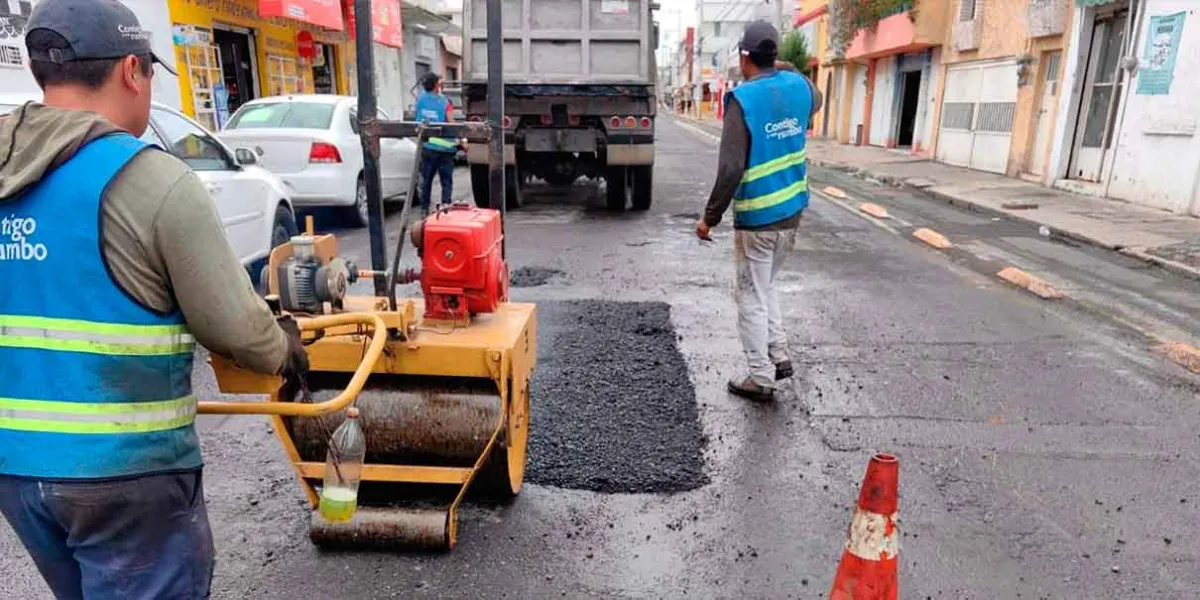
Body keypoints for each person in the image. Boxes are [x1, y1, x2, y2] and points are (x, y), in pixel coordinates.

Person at [0, 0, 309, 597]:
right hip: (124, 473)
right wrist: (284, 350)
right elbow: (235, 329)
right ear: (130, 72)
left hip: (17, 470)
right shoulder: (150, 179)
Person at [695, 21, 822, 402]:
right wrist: (790, 68)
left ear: (744, 56)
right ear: (775, 55)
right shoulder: (800, 87)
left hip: (758, 220)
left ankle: (761, 377)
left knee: (750, 295)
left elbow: (731, 168)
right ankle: (778, 354)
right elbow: (817, 98)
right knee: (766, 286)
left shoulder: (743, 100)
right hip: (792, 213)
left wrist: (709, 218)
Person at [415, 72, 458, 214]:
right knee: (446, 182)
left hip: (428, 147)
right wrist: (462, 141)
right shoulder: (445, 102)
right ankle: (445, 208)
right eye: (440, 83)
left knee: (426, 180)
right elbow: (451, 123)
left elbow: (418, 119)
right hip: (445, 149)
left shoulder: (420, 99)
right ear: (436, 86)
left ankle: (424, 209)